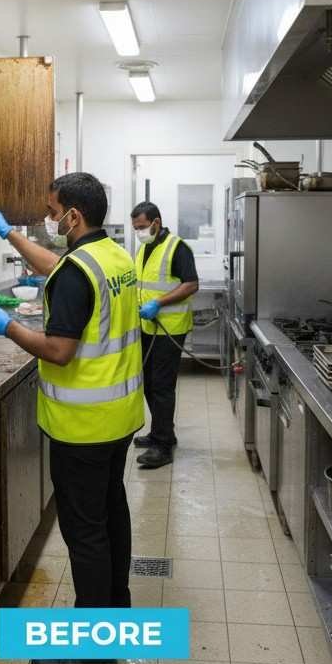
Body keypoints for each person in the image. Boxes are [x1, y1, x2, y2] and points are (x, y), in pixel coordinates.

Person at [0, 173, 142, 664]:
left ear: (74, 215)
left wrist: (9, 328)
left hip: (82, 425)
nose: (48, 218)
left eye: (52, 210)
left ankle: (91, 653)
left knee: (85, 532)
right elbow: (63, 270)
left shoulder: (78, 271)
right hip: (120, 419)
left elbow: (59, 351)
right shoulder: (113, 256)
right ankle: (113, 615)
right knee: (111, 515)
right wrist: (8, 234)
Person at [129, 201, 199, 469]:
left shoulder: (177, 247)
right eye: (136, 228)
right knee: (148, 382)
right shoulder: (144, 247)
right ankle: (162, 432)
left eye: (143, 227)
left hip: (169, 327)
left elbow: (191, 284)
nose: (139, 232)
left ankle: (163, 446)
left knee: (161, 385)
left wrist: (159, 303)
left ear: (156, 223)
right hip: (147, 326)